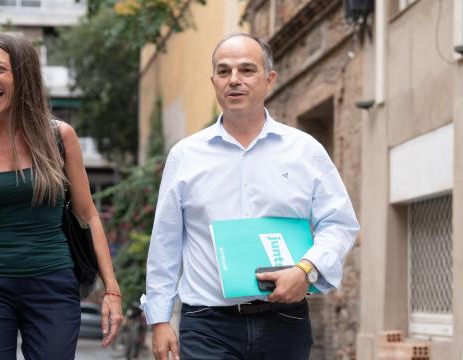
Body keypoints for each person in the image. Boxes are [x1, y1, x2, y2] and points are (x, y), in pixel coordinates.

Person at [141, 33, 360, 360]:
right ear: (213, 81)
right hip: (206, 324)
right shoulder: (185, 156)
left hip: (283, 319)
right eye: (223, 71)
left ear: (269, 79)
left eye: (246, 70)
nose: (234, 80)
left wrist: (306, 270)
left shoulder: (305, 152)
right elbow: (166, 241)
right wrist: (159, 319)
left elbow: (340, 224)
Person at [0, 32, 122, 360]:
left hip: (53, 286)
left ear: (24, 77)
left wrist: (112, 290)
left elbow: (88, 215)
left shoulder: (59, 138)